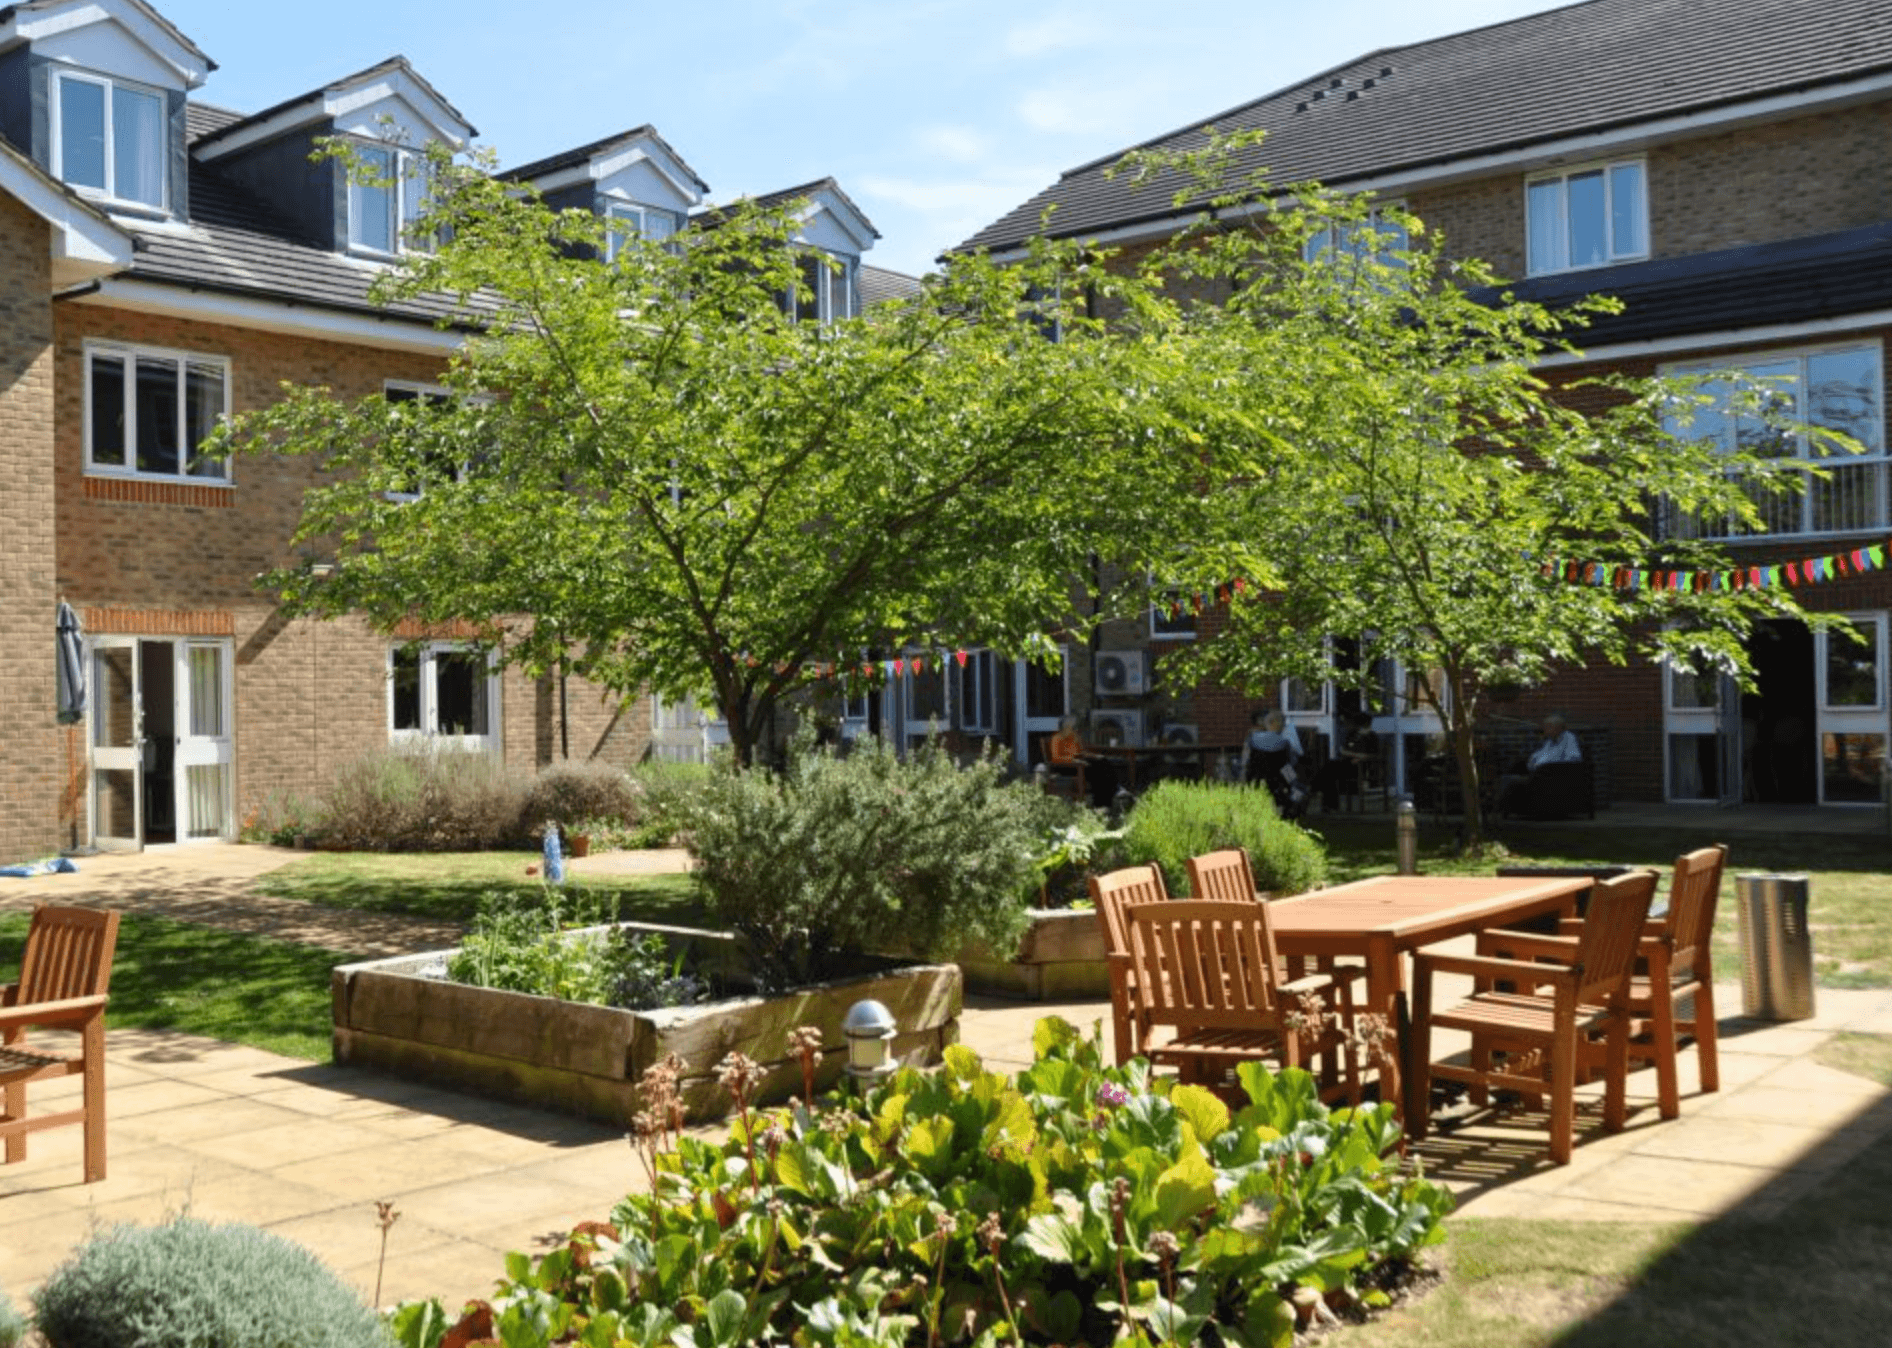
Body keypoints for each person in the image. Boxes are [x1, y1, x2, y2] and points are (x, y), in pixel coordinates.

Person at [1498, 713, 1582, 816]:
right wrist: (1534, 763)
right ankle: (1505, 809)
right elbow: (1538, 756)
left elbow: (1573, 758)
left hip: (1553, 777)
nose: (1545, 730)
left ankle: (1501, 810)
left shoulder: (1569, 738)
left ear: (1559, 727)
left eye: (1549, 727)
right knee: (1507, 777)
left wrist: (1546, 766)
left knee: (1512, 781)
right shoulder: (1550, 741)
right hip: (1540, 774)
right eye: (1545, 727)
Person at [1243, 708, 1306, 819]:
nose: (1283, 725)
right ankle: (1287, 814)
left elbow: (1245, 761)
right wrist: (1295, 783)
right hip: (1277, 783)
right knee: (1300, 790)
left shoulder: (1251, 739)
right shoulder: (1284, 743)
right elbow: (1288, 767)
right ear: (1276, 723)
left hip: (1255, 780)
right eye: (1282, 722)